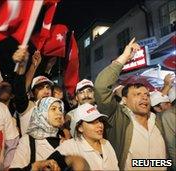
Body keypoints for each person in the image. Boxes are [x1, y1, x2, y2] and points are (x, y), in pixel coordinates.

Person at [94, 38, 167, 170]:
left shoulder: (158, 120)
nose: (144, 97)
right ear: (125, 100)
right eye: (137, 94)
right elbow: (101, 87)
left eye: (146, 95)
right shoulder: (118, 119)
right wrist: (124, 58)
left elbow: (164, 159)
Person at [48, 103, 119, 170]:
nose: (100, 125)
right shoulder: (69, 147)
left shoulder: (106, 143)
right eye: (92, 122)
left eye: (100, 121)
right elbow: (46, 166)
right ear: (80, 128)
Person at [9, 97, 64, 170]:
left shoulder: (64, 140)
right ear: (41, 112)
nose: (59, 113)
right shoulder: (28, 140)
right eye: (53, 109)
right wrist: (36, 166)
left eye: (60, 109)